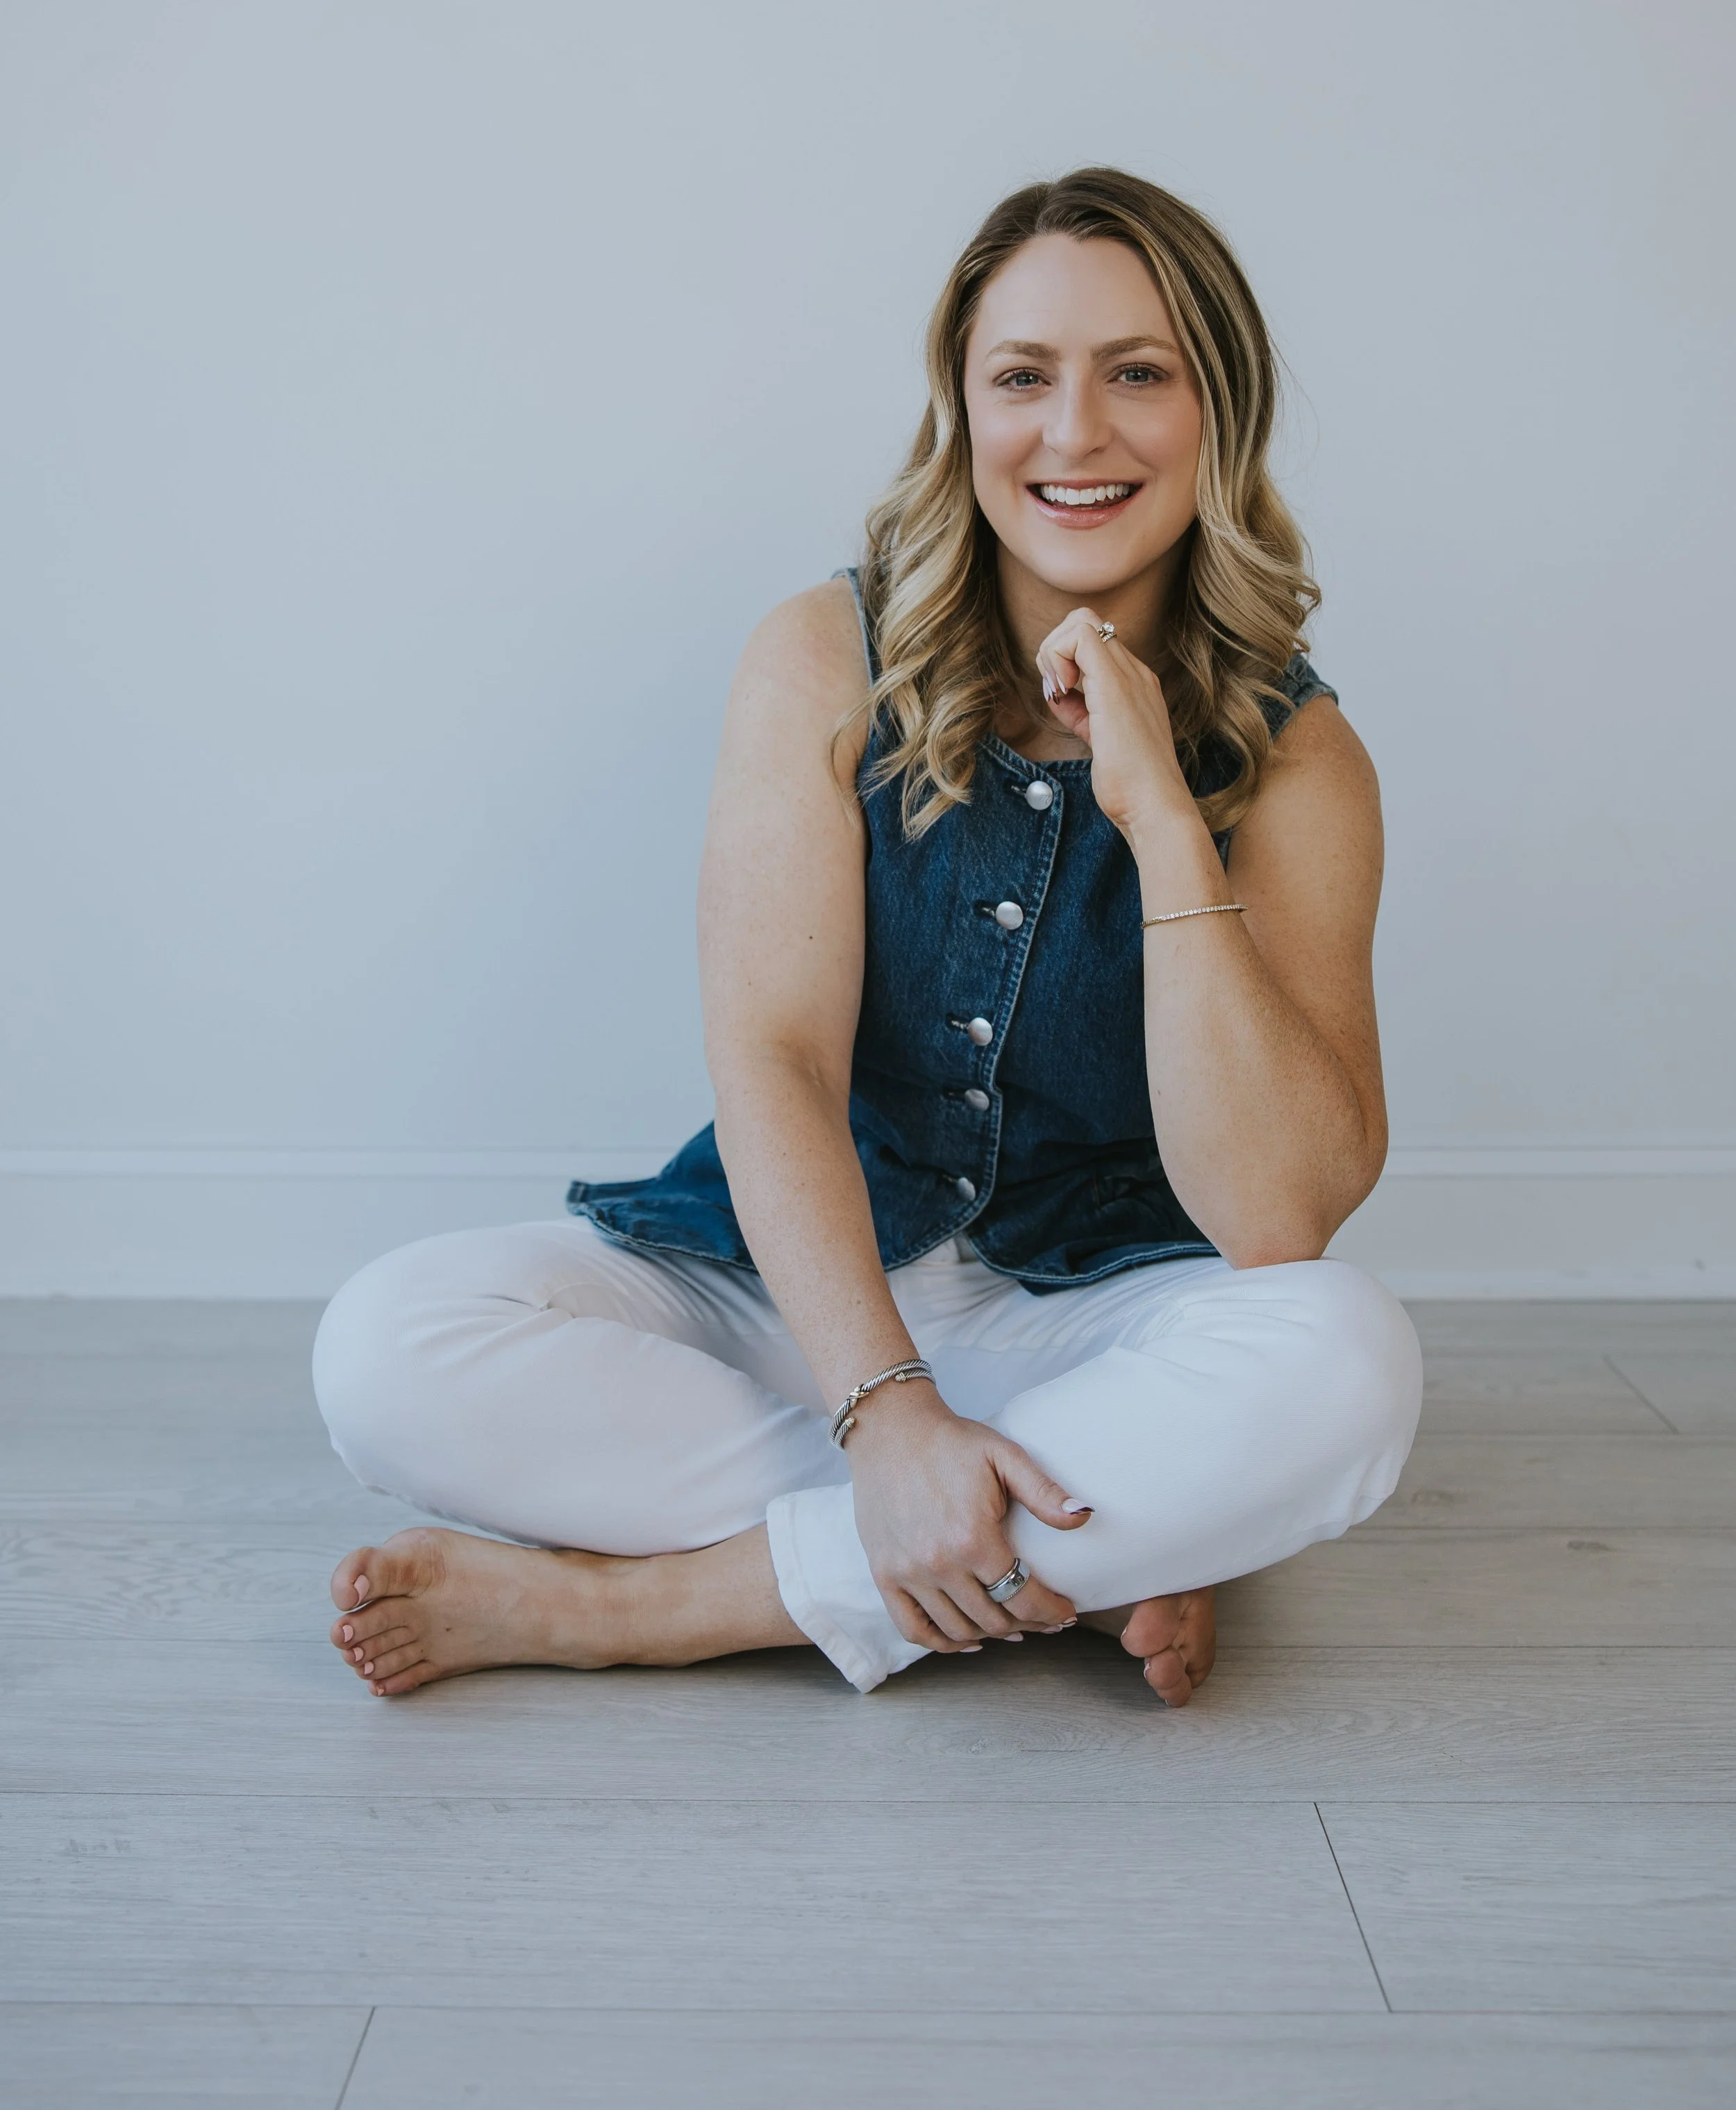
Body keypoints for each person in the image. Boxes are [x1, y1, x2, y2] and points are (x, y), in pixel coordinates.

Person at [312, 167, 1423, 1705]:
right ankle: (1069, 1542)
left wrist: (1161, 812)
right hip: (804, 1294)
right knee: (387, 1346)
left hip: (1094, 1320)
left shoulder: (1300, 759)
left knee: (1347, 1365)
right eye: (1021, 377)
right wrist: (887, 1410)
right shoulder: (820, 656)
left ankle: (659, 1608)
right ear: (960, 410)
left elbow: (1276, 1218)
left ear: (1214, 411)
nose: (1075, 433)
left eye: (1138, 376)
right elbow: (769, 1056)